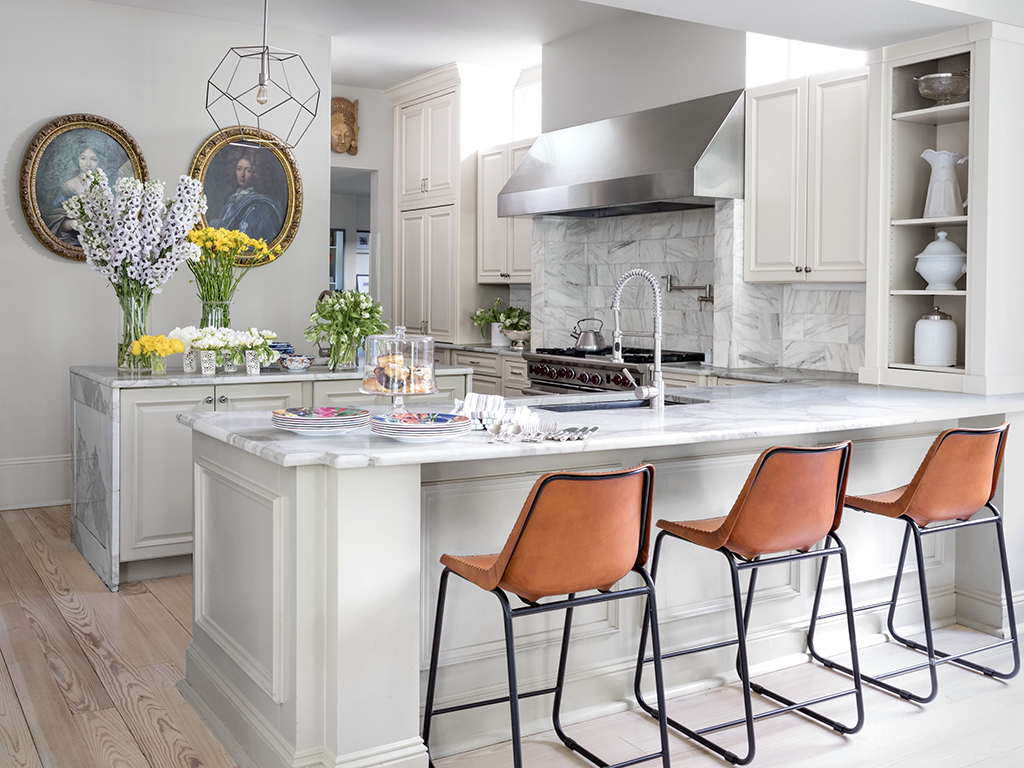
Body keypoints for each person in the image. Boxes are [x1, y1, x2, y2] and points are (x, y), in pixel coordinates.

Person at [210, 149, 284, 243]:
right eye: (239, 169)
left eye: (248, 170)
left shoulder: (258, 205)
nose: (242, 175)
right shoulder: (236, 197)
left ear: (256, 174)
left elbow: (246, 238)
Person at [44, 143, 103, 247]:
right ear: (77, 159)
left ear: (99, 162)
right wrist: (77, 224)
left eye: (93, 159)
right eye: (83, 158)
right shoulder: (67, 187)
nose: (88, 164)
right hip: (72, 239)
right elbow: (55, 220)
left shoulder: (103, 186)